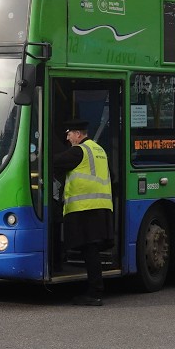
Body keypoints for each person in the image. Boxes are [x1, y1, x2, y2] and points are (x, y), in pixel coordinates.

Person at [51, 119, 114, 306]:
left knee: (90, 251)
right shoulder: (99, 150)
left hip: (86, 208)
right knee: (91, 250)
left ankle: (95, 292)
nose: (68, 138)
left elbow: (54, 162)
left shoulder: (79, 151)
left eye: (69, 134)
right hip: (101, 207)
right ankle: (94, 289)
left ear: (78, 134)